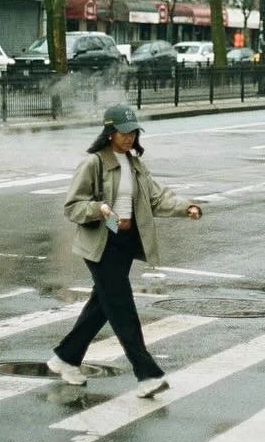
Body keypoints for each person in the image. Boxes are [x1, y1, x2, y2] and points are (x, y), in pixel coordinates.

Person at [48, 104, 202, 398]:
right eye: (124, 132)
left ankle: (65, 358)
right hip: (100, 244)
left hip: (124, 243)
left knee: (103, 305)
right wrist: (98, 208)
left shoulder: (135, 164)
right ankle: (147, 374)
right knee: (121, 308)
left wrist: (187, 207)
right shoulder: (94, 163)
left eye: (133, 132)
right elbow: (72, 206)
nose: (130, 137)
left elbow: (157, 197)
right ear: (110, 132)